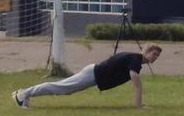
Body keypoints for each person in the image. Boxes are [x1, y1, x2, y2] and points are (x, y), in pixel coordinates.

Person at [15, 45, 162, 109]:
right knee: (61, 88)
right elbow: (135, 81)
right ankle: (23, 94)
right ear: (146, 51)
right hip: (92, 74)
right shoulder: (136, 59)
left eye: (157, 55)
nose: (155, 57)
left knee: (63, 88)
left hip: (93, 73)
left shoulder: (135, 58)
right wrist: (139, 105)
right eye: (154, 54)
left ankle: (25, 94)